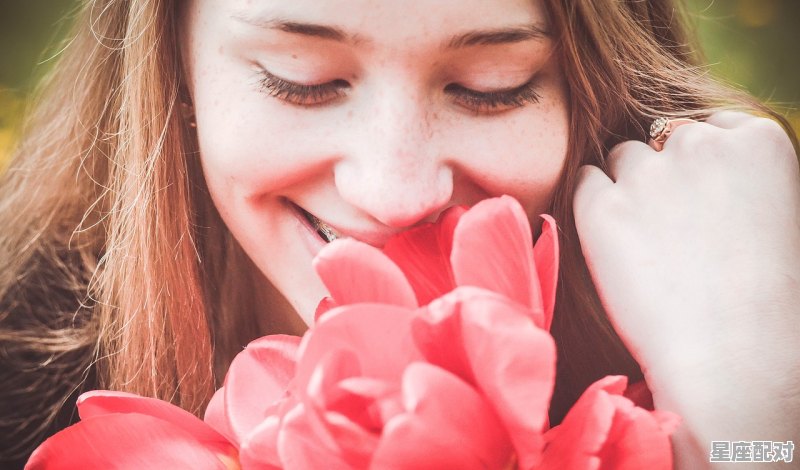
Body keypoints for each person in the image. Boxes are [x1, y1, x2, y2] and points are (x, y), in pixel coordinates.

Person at [1, 0, 798, 468]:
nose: (395, 193)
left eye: (494, 89)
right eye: (300, 78)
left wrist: (751, 416)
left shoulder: (764, 323)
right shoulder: (13, 377)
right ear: (174, 67)